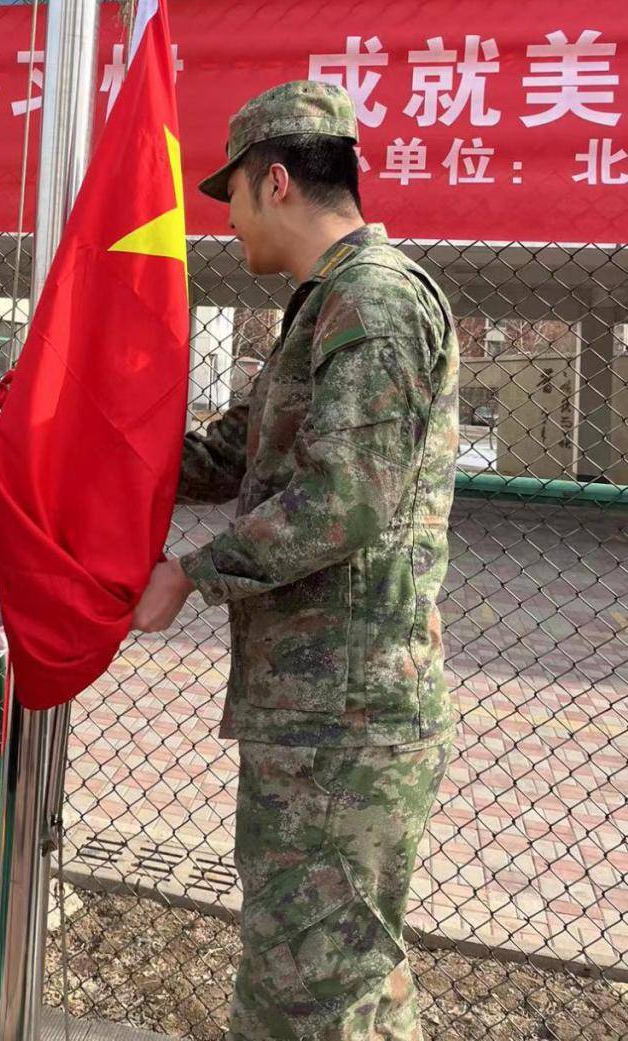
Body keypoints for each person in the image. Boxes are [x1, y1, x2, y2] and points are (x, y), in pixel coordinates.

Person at [134, 81, 459, 1041]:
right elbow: (232, 454)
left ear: (274, 181)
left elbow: (344, 500)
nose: (226, 218)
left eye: (230, 193)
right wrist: (96, 450)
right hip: (320, 710)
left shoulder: (374, 300)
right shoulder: (324, 305)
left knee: (310, 990)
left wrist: (190, 572)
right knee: (335, 979)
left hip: (345, 717)